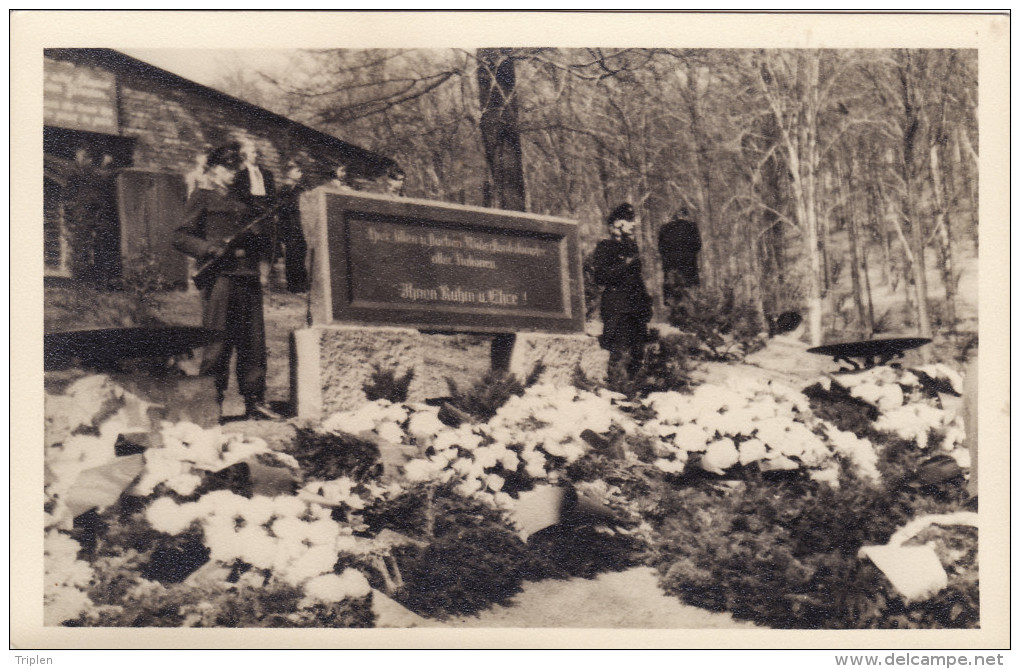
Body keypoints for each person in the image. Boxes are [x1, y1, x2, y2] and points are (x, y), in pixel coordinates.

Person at [173, 143, 279, 421]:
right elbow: (181, 237)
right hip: (219, 277)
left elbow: (264, 237)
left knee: (253, 342)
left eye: (236, 168)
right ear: (214, 169)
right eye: (227, 168)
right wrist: (209, 249)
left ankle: (254, 400)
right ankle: (210, 402)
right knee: (217, 341)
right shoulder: (203, 196)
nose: (233, 174)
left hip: (247, 275)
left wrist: (259, 235)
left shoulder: (245, 199)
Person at [592, 202, 653, 382]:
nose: (633, 224)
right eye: (628, 220)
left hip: (635, 309)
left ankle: (635, 395)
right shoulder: (605, 247)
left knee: (637, 356)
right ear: (616, 224)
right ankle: (617, 393)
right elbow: (601, 277)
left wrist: (646, 305)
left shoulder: (632, 248)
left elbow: (637, 280)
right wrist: (624, 265)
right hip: (617, 309)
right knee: (619, 354)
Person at [275, 159, 309, 293]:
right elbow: (279, 208)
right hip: (288, 225)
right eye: (297, 171)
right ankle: (293, 285)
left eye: (300, 171)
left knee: (301, 253)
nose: (300, 173)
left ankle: (302, 284)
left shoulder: (301, 190)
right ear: (289, 173)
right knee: (292, 254)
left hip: (299, 225)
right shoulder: (283, 190)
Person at [657, 206, 702, 303]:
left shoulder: (665, 228)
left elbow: (661, 249)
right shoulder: (692, 227)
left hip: (670, 268)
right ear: (686, 215)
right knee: (690, 296)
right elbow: (698, 246)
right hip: (689, 267)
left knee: (674, 297)